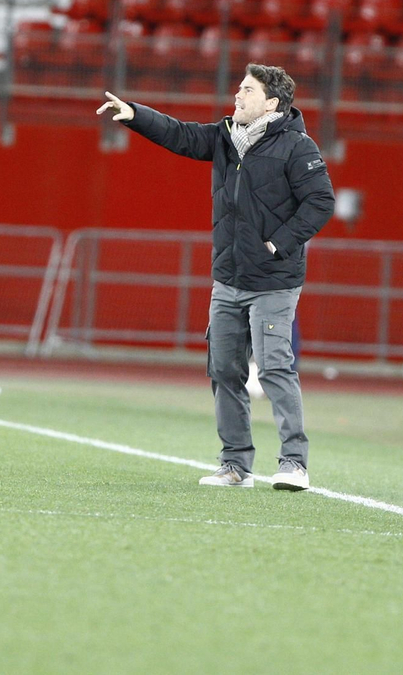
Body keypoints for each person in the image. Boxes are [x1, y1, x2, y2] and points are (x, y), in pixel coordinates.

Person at [97, 65, 335, 491]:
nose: (237, 95)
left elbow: (320, 202)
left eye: (248, 90)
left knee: (274, 368)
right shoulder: (226, 137)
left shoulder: (298, 146)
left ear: (272, 103)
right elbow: (180, 135)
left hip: (274, 280)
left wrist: (277, 245)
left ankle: (294, 463)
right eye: (240, 87)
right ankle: (235, 465)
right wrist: (135, 114)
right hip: (228, 278)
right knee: (224, 369)